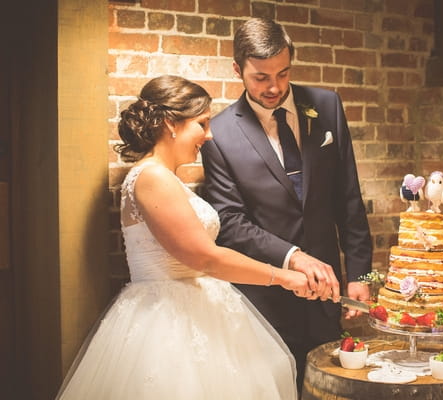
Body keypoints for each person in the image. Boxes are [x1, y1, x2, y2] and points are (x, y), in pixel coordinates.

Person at [56, 75, 320, 400]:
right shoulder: (152, 177)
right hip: (167, 324)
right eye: (202, 124)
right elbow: (204, 257)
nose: (208, 136)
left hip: (201, 312)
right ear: (170, 123)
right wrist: (283, 277)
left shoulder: (167, 178)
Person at [200, 18, 373, 392]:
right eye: (261, 77)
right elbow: (229, 222)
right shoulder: (219, 133)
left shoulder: (327, 105)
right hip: (265, 302)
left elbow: (349, 197)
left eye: (283, 73)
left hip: (328, 297)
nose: (275, 87)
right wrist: (293, 257)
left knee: (329, 390)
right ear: (237, 69)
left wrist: (361, 273)